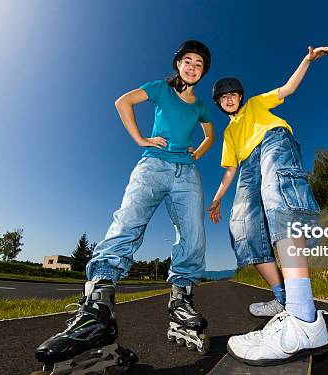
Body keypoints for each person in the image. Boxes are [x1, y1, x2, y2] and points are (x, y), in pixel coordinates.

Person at [35, 40, 215, 372]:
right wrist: (140, 139)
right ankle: (96, 309)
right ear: (178, 65)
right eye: (187, 61)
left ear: (203, 72)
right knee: (127, 223)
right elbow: (123, 102)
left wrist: (198, 154)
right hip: (152, 166)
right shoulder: (160, 88)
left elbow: (209, 134)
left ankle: (181, 302)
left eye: (199, 64)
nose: (192, 67)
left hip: (186, 174)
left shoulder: (201, 105)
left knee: (193, 234)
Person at [208, 45, 328, 365]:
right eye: (222, 99)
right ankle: (283, 300)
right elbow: (230, 171)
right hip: (246, 166)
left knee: (277, 193)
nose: (228, 100)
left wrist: (306, 59)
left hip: (273, 141)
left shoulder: (255, 104)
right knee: (242, 227)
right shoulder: (228, 133)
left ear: (239, 95)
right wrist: (217, 198)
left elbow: (288, 88)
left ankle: (304, 318)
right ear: (220, 105)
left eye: (231, 95)